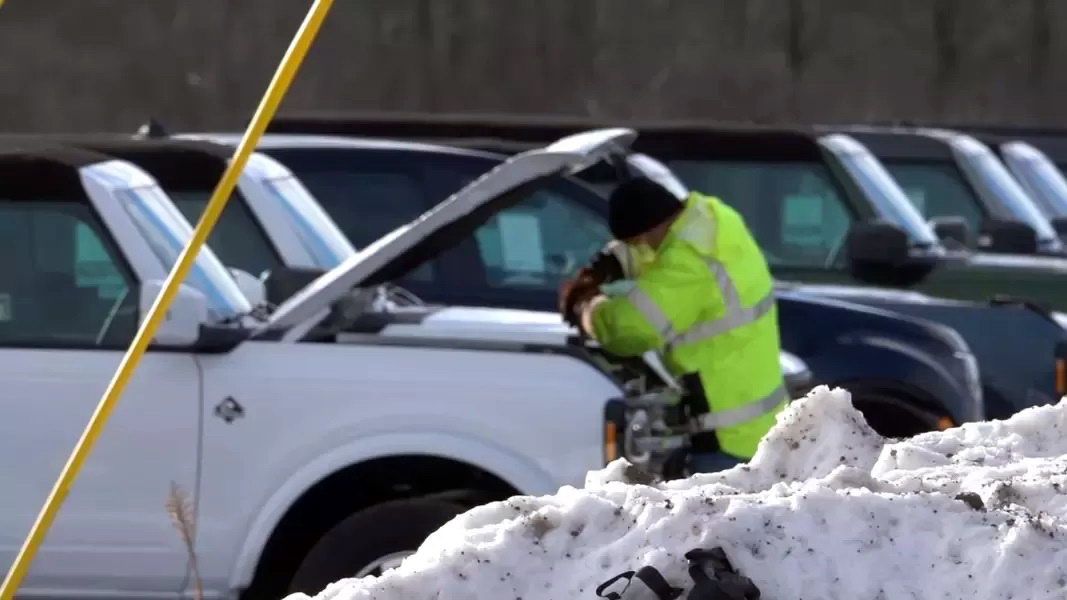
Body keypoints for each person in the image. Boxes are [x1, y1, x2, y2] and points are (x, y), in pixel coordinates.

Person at [560, 177, 787, 473]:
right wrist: (609, 264)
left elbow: (630, 329)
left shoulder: (687, 264)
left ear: (644, 235)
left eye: (634, 243)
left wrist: (588, 309)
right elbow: (662, 252)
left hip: (728, 437)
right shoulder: (714, 219)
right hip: (762, 424)